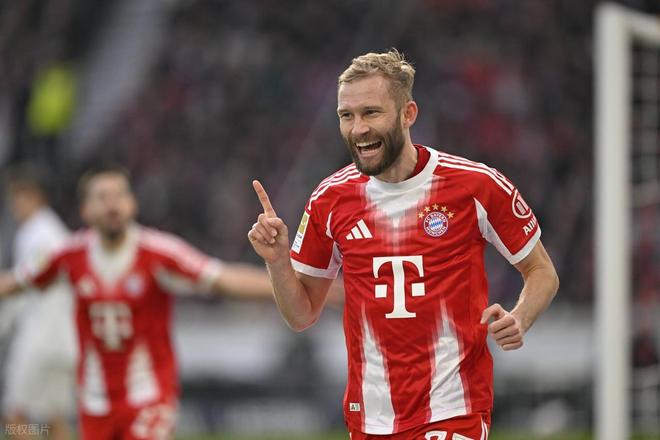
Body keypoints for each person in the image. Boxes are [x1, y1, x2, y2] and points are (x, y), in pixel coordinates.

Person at [248, 49, 559, 439]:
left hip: (453, 409)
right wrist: (277, 261)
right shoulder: (329, 199)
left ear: (408, 114)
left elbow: (541, 271)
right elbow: (301, 315)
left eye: (371, 113)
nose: (358, 129)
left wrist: (520, 317)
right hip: (368, 417)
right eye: (347, 116)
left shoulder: (476, 185)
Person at [0, 163, 274, 440]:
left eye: (119, 196)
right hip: (94, 403)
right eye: (102, 197)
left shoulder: (158, 252)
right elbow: (16, 282)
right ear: (85, 209)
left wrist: (286, 284)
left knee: (24, 416)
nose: (112, 205)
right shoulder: (68, 255)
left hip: (149, 399)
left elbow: (223, 278)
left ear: (132, 203)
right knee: (32, 419)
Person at [1, 165, 76, 440]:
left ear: (35, 196)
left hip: (41, 339)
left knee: (14, 418)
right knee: (53, 420)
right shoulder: (51, 230)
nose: (14, 205)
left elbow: (32, 280)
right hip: (62, 338)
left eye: (18, 197)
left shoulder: (40, 232)